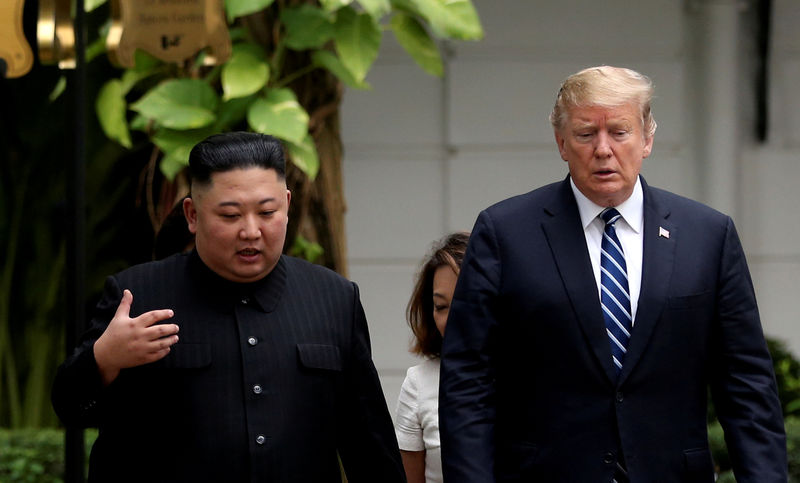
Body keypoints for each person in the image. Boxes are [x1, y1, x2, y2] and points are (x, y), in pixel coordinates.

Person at [438, 66, 787, 482]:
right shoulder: (505, 232)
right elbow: (468, 381)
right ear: (561, 143)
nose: (603, 149)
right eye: (586, 134)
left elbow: (746, 382)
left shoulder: (707, 235)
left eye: (619, 132)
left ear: (647, 139)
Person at [51, 132, 406, 483]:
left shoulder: (334, 298)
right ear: (192, 214)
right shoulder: (138, 296)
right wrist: (104, 359)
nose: (251, 231)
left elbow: (370, 443)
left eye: (267, 212)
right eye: (230, 216)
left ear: (287, 204)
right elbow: (69, 406)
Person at [395, 232, 469, 483]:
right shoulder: (419, 383)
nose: (451, 318)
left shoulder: (534, 376)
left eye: (463, 302)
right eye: (441, 307)